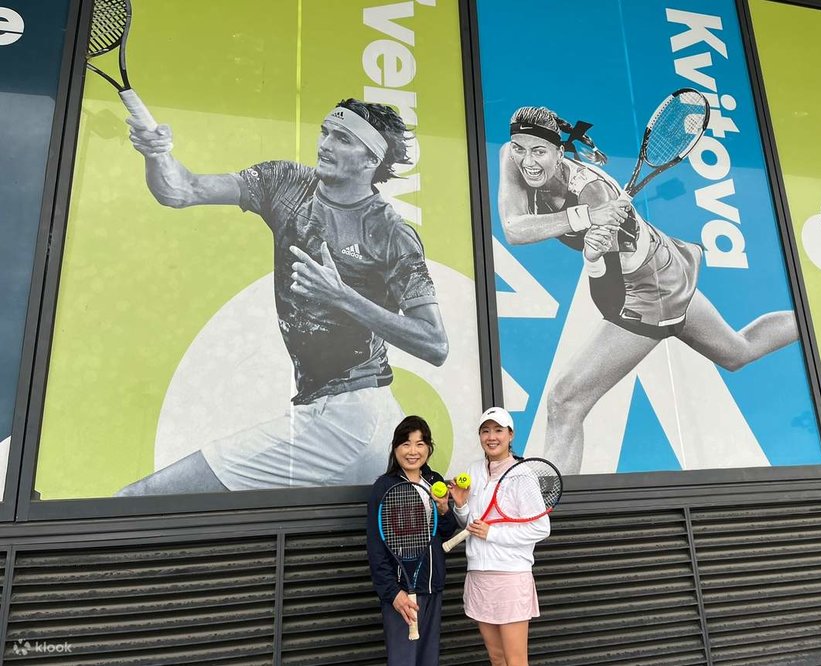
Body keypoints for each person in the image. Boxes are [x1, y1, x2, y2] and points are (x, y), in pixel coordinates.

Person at [116, 99, 448, 495]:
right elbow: (180, 189)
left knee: (139, 499)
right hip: (327, 414)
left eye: (342, 138)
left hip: (350, 419)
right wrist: (157, 154)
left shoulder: (390, 231)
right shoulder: (286, 182)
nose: (325, 144)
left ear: (370, 160)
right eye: (325, 131)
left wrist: (343, 297)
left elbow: (435, 343)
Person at [498, 106, 799, 474]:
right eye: (519, 147)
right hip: (661, 264)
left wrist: (593, 257)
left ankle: (547, 510)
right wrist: (586, 219)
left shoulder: (594, 192)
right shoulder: (514, 158)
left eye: (539, 151)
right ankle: (811, 321)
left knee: (565, 400)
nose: (526, 160)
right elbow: (514, 228)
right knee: (737, 351)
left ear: (559, 152)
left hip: (647, 287)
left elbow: (610, 304)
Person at [450, 406, 549, 666]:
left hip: (510, 577)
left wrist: (493, 533)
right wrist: (461, 506)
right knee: (496, 657)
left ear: (510, 435)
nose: (491, 437)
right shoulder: (472, 471)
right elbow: (470, 524)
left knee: (515, 660)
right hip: (479, 576)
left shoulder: (522, 475)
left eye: (498, 430)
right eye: (485, 431)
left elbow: (541, 528)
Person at [366, 415, 455, 666]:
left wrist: (445, 509)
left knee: (429, 661)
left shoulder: (435, 481)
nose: (413, 451)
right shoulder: (384, 487)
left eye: (419, 443)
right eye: (406, 444)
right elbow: (375, 547)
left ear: (428, 447)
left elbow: (446, 532)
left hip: (431, 588)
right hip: (401, 595)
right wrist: (393, 593)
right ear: (395, 449)